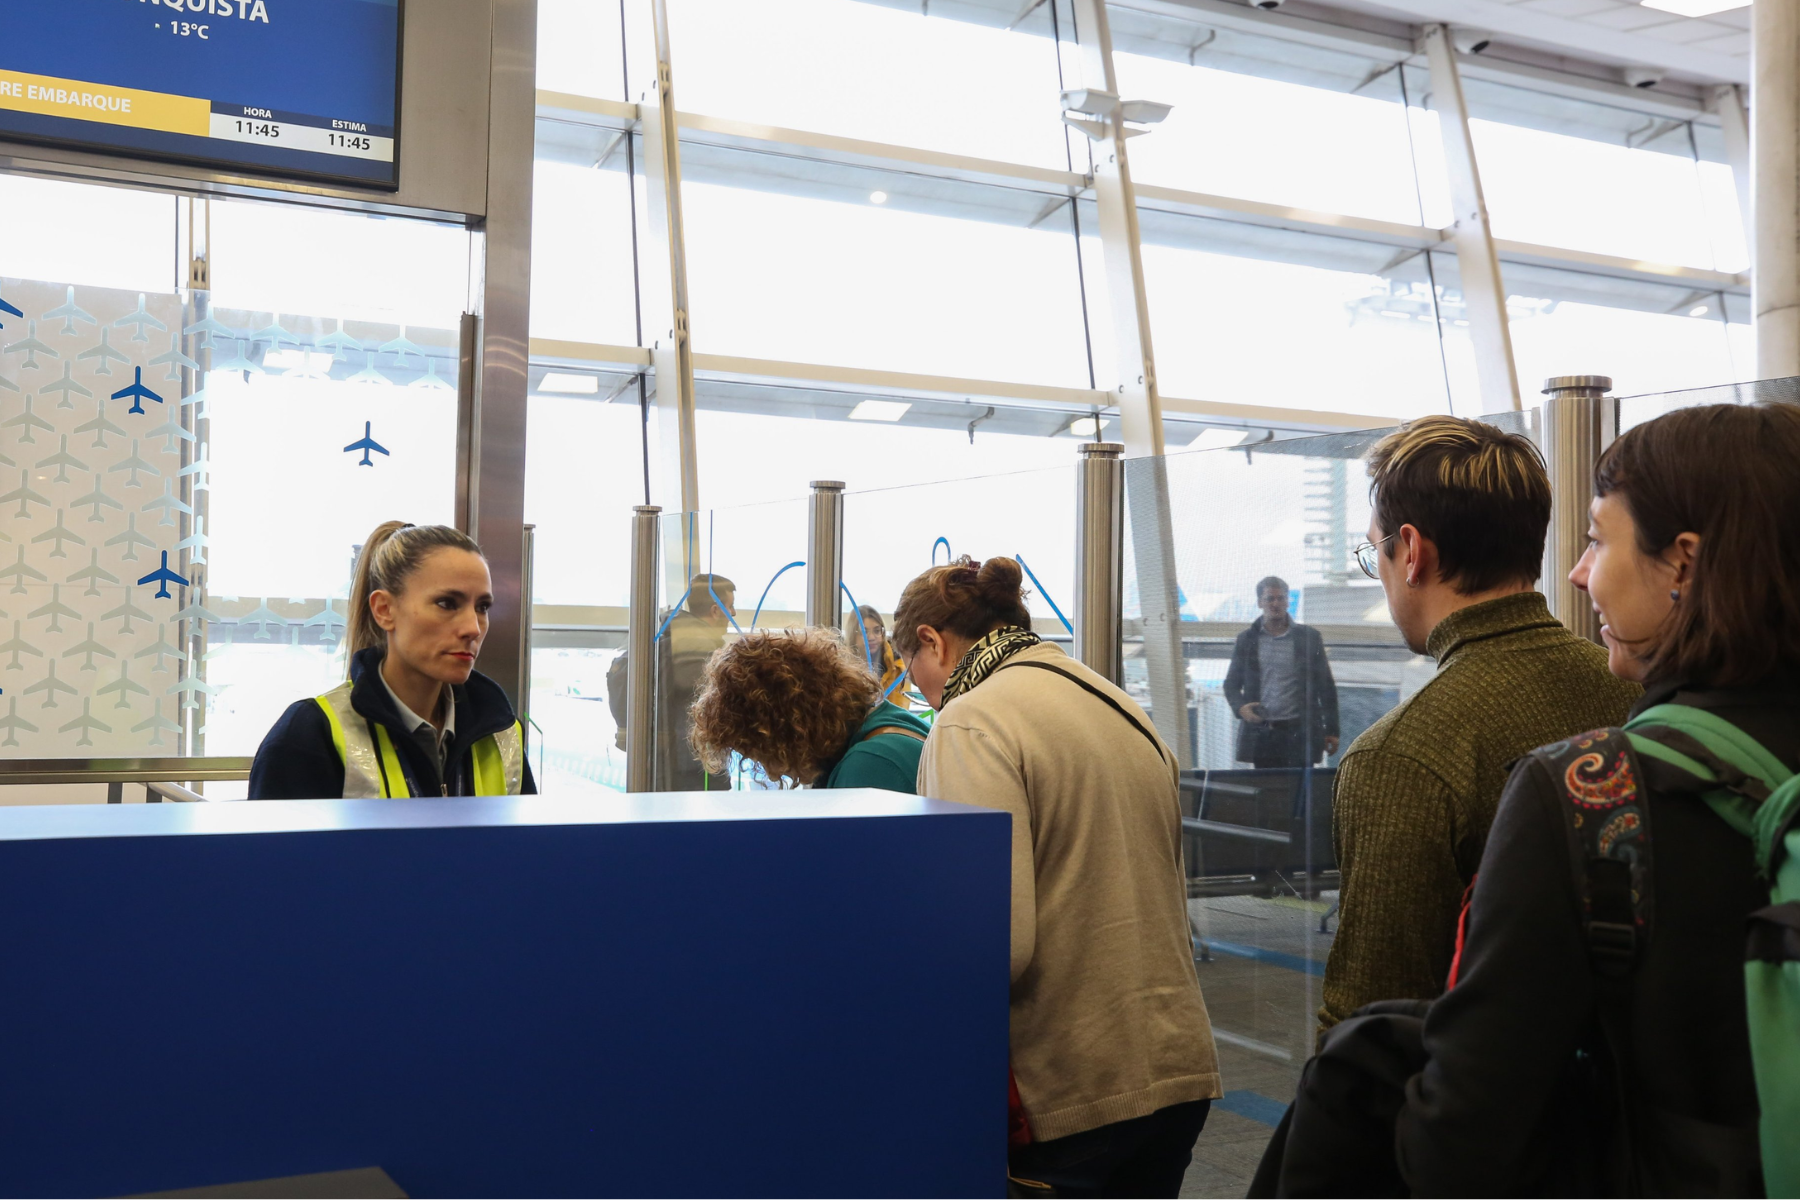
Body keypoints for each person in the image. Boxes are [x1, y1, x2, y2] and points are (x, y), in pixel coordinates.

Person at [1259, 402, 1800, 1196]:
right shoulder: (1623, 689)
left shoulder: (1436, 759)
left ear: (1410, 551)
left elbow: (1440, 1110)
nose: (1581, 572)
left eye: (1598, 538)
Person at [897, 555, 1219, 1198]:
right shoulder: (1112, 699)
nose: (921, 694)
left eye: (912, 674)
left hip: (1073, 1090)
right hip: (1177, 1068)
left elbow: (993, 944)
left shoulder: (972, 719)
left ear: (932, 641)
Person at [1320, 416, 1638, 1036]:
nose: (1379, 572)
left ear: (1411, 553)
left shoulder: (1400, 757)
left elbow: (1368, 1031)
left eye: (1373, 552)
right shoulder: (1639, 693)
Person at [249, 521, 534, 798]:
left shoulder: (502, 733)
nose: (473, 627)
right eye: (447, 603)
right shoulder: (309, 737)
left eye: (482, 607)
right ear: (384, 609)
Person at [688, 626, 930, 791]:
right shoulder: (884, 722)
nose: (772, 774)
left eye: (762, 753)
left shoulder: (869, 766)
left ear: (786, 729)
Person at [606, 573, 735, 791]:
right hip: (691, 772)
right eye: (730, 607)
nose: (733, 614)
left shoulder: (666, 642)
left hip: (662, 767)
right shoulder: (697, 650)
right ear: (715, 610)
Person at [1222, 576, 1339, 768]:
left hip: (1300, 733)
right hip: (1263, 735)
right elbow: (1231, 685)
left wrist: (1332, 730)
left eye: (1281, 598)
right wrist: (1241, 708)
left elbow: (1325, 686)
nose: (1276, 603)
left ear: (1287, 601)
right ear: (1260, 602)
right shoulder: (1247, 639)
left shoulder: (1309, 637)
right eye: (1270, 599)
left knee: (1301, 794)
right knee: (1268, 792)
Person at [845, 603, 907, 699]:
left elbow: (900, 709)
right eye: (864, 632)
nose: (871, 637)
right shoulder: (841, 668)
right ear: (852, 634)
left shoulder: (897, 667)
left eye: (877, 631)